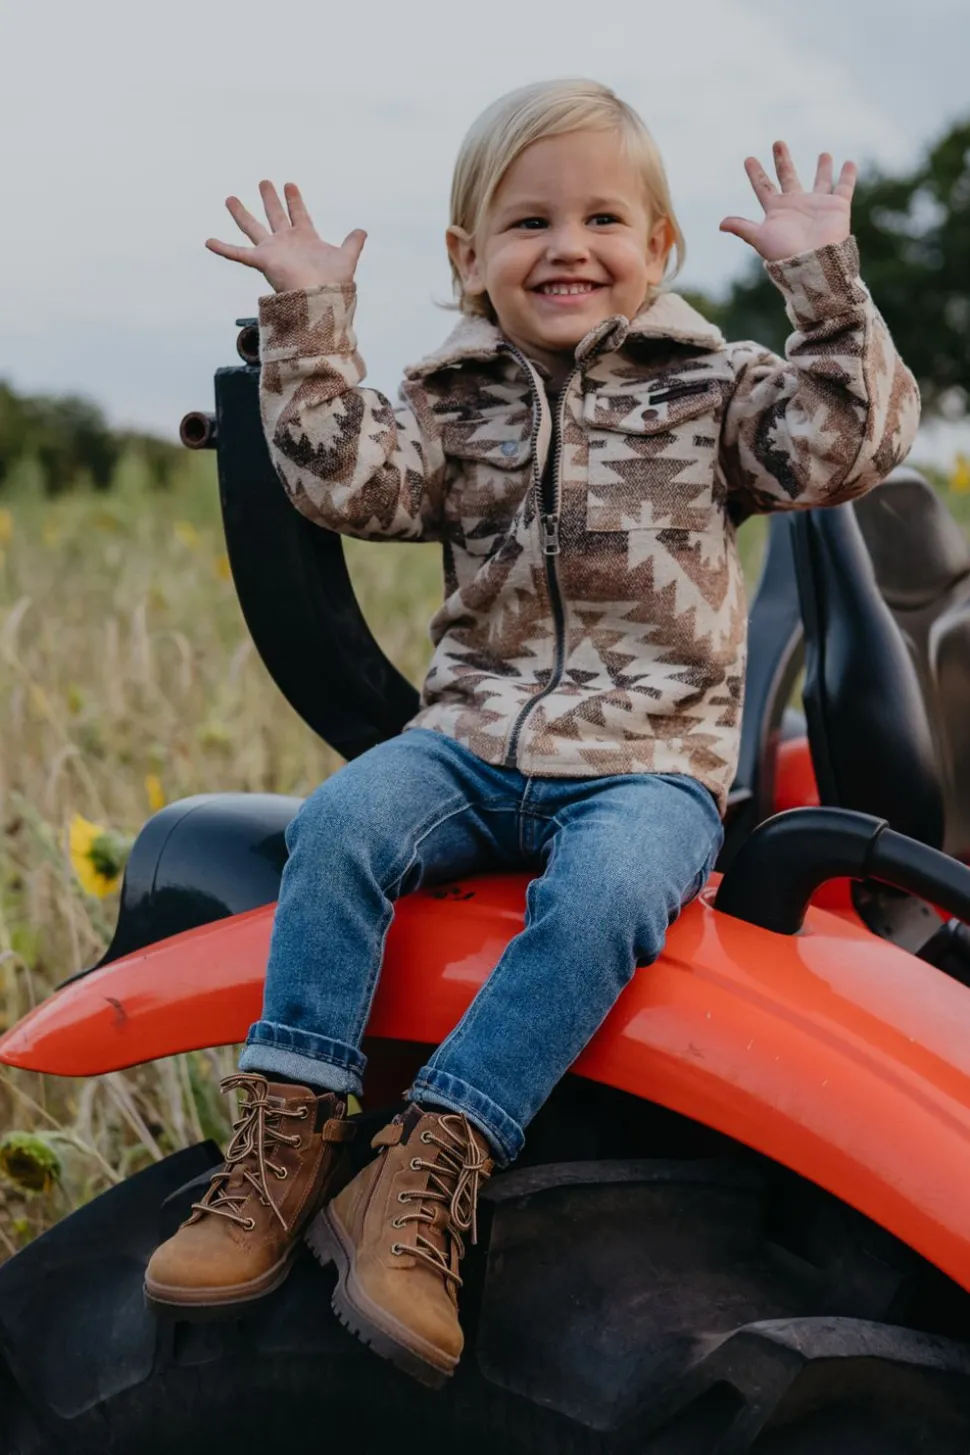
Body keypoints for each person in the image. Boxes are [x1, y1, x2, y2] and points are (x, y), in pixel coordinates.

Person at [144, 78, 920, 1388]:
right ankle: (284, 1142)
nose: (564, 244)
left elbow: (840, 445)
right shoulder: (452, 402)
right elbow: (341, 476)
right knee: (338, 824)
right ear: (467, 260)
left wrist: (824, 290)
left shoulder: (716, 390)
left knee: (614, 890)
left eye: (602, 217)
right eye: (524, 222)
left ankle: (433, 1159)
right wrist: (304, 316)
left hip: (645, 760)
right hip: (470, 738)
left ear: (659, 253)